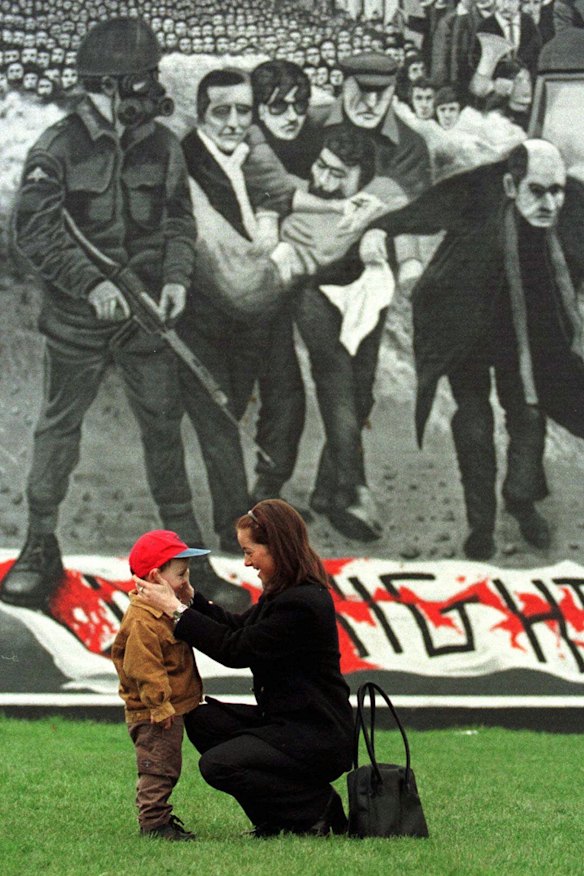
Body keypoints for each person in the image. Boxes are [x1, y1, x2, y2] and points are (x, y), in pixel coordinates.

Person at [1, 18, 238, 610]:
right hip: (79, 324)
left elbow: (179, 219)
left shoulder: (161, 144)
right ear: (107, 86)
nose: (154, 91)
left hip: (145, 319)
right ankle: (39, 546)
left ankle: (186, 560)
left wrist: (178, 277)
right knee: (59, 429)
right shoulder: (57, 147)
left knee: (163, 429)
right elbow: (33, 228)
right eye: (142, 81)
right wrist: (90, 283)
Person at [373, 139, 584, 560]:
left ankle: (521, 499)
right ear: (510, 185)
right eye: (536, 191)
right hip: (465, 328)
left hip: (528, 335)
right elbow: (419, 212)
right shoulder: (476, 194)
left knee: (528, 415)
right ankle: (481, 525)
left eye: (555, 190)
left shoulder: (574, 205)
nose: (549, 203)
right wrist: (379, 231)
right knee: (472, 423)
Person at [136, 499, 353, 837]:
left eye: (251, 551)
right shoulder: (285, 594)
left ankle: (317, 808)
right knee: (203, 720)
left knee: (218, 765)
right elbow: (238, 628)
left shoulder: (302, 603)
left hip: (317, 736)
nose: (247, 561)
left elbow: (236, 650)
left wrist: (176, 611)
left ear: (277, 547)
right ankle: (275, 819)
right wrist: (190, 600)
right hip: (288, 724)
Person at [294, 125, 388, 540]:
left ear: (362, 177)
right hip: (314, 293)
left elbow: (399, 212)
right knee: (337, 385)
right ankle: (353, 491)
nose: (324, 180)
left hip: (364, 294)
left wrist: (376, 225)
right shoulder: (302, 199)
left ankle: (325, 490)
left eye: (339, 174)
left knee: (361, 389)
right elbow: (322, 250)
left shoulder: (379, 194)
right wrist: (361, 222)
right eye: (322, 167)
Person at [112, 529, 208, 841]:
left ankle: (159, 818)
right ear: (156, 576)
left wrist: (185, 596)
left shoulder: (164, 612)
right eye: (181, 574)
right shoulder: (144, 620)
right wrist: (159, 704)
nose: (185, 580)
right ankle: (154, 824)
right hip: (153, 713)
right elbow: (143, 668)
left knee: (167, 764)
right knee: (158, 767)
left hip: (165, 709)